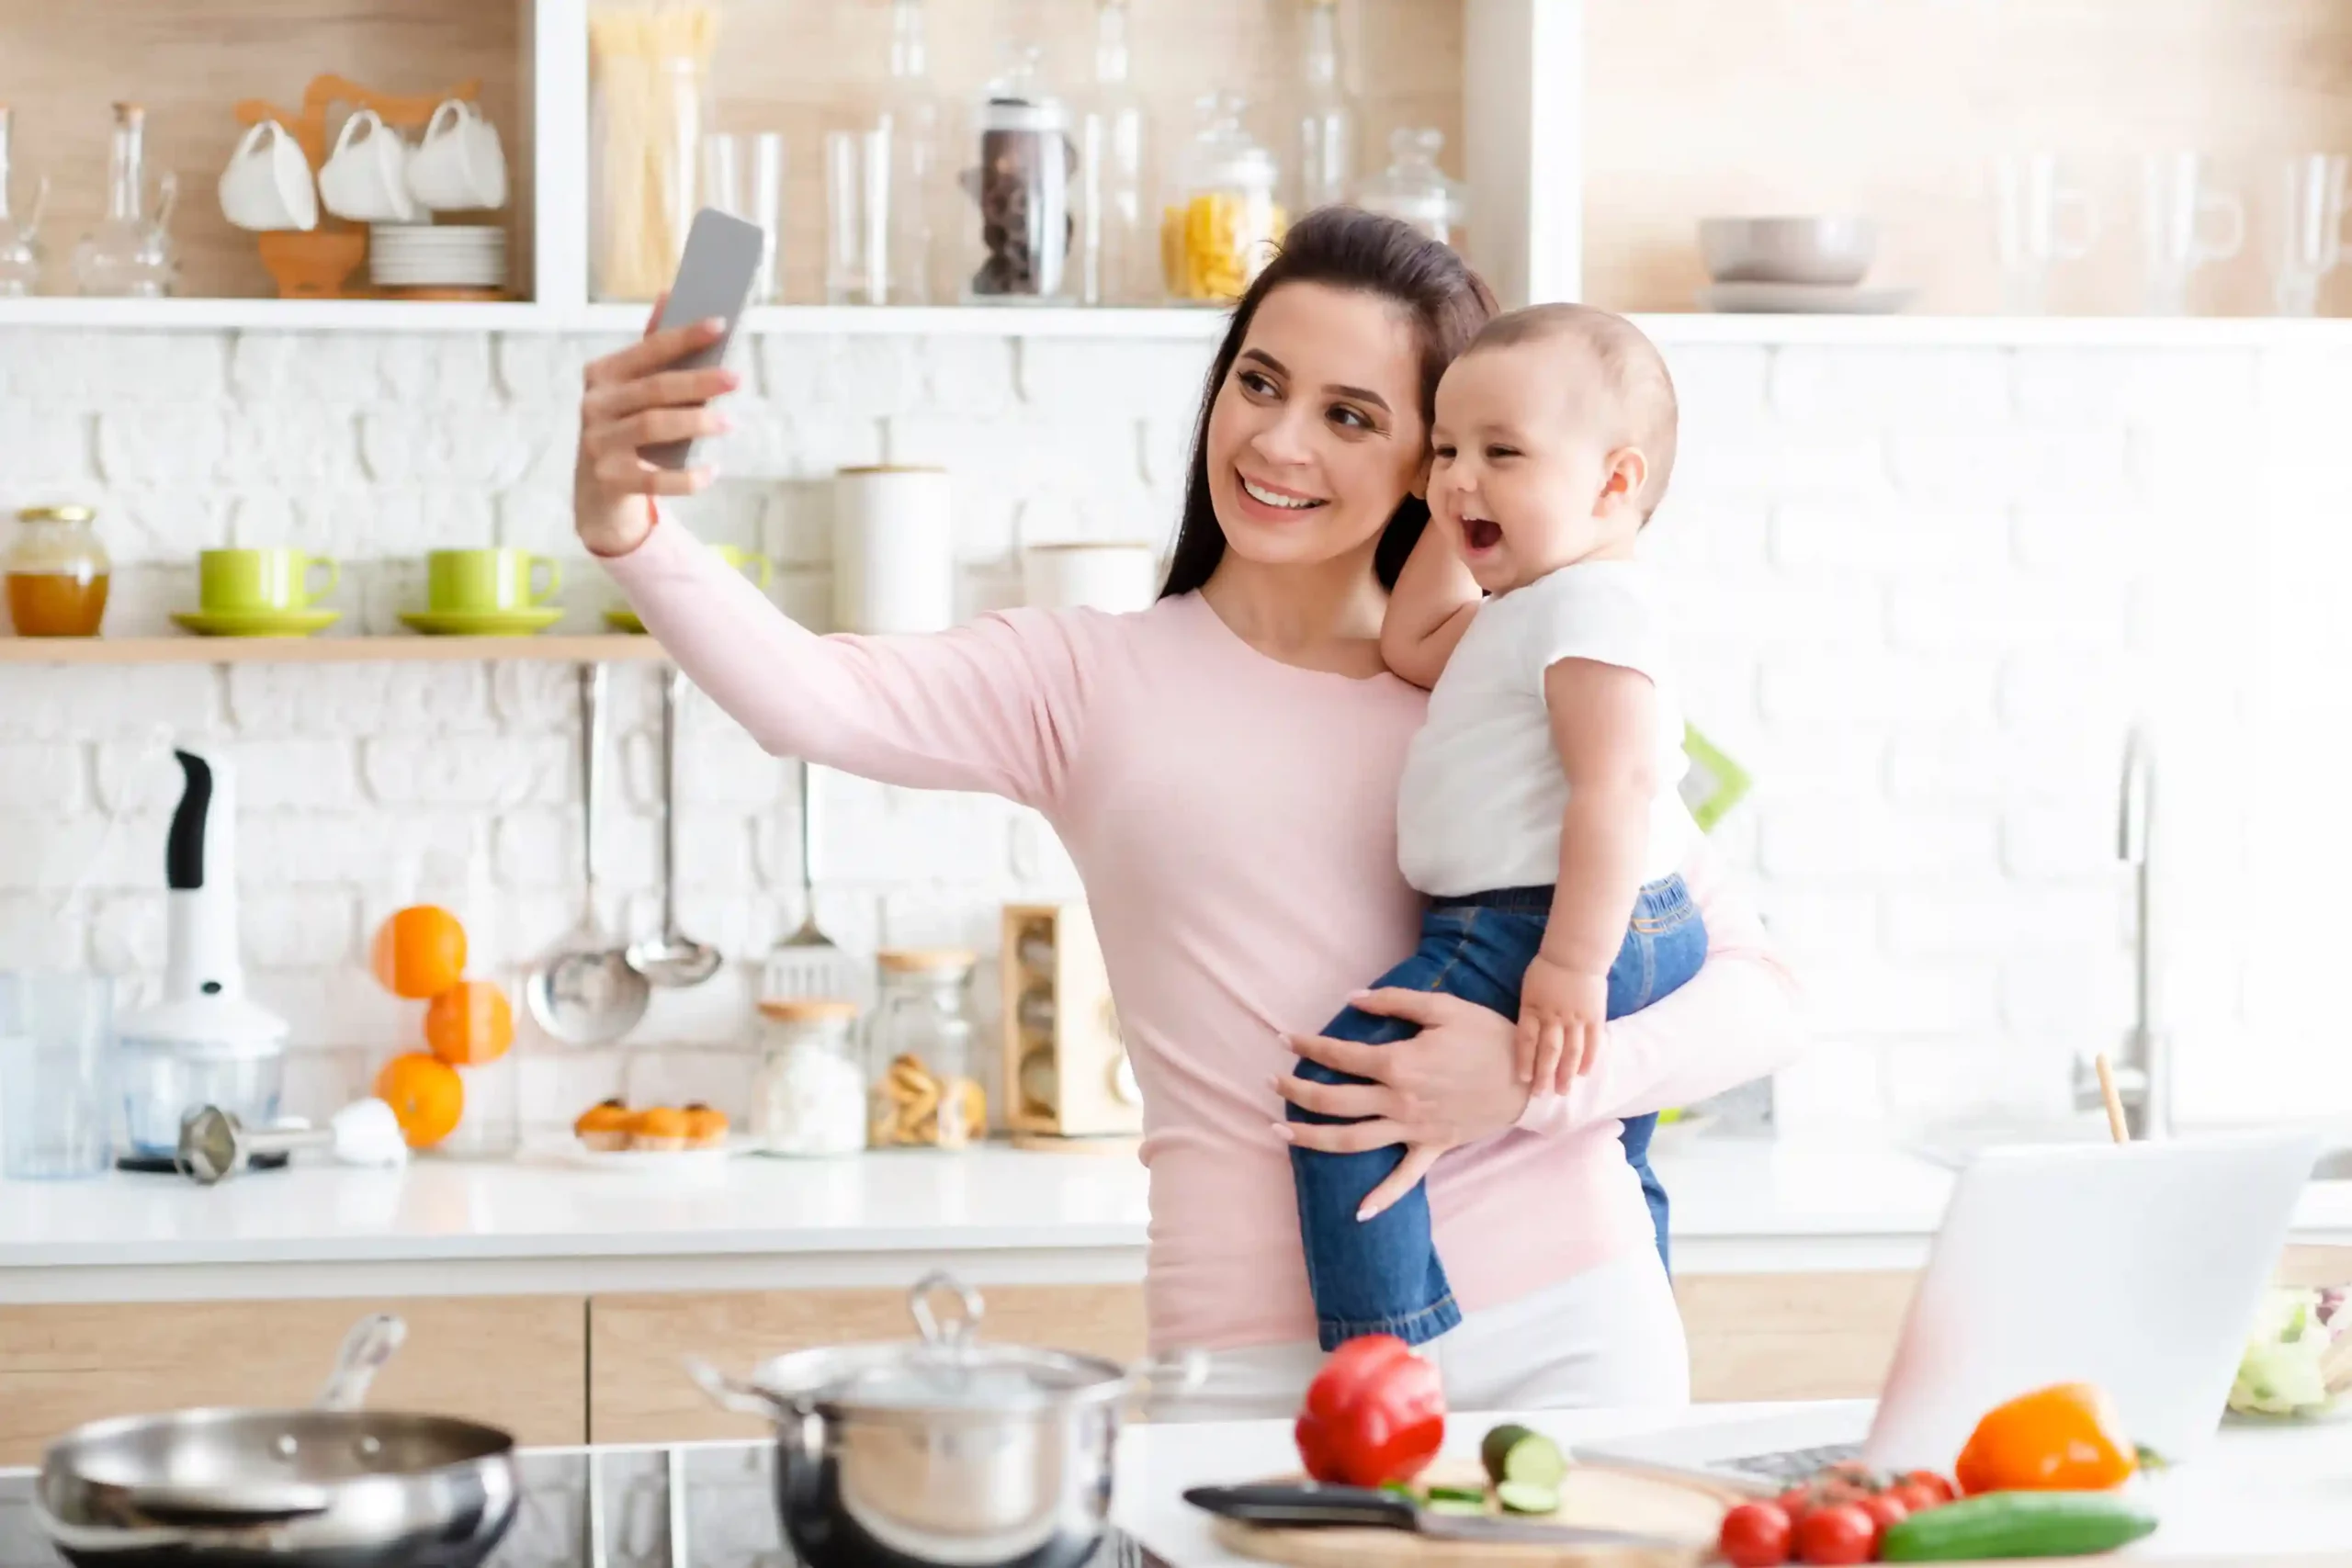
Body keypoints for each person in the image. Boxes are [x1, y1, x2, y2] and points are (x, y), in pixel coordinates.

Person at [576, 208, 1804, 1416]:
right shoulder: (1089, 679)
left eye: (1351, 416)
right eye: (1258, 383)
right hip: (1256, 1372)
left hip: (1571, 1330)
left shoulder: (1509, 672)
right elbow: (815, 702)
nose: (1278, 441)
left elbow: (1758, 994)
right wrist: (634, 533)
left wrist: (1531, 1085)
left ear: (1438, 463)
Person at [1286, 301, 1706, 1355]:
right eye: (1444, 450)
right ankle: (1642, 1290)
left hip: (1537, 921)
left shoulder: (1593, 610)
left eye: (1502, 451)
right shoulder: (1533, 606)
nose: (1457, 476)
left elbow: (1614, 788)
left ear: (1616, 483)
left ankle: (1384, 1353)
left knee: (1347, 1085)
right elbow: (1412, 639)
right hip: (1595, 918)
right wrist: (1466, 507)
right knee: (1620, 1153)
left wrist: (1568, 965)